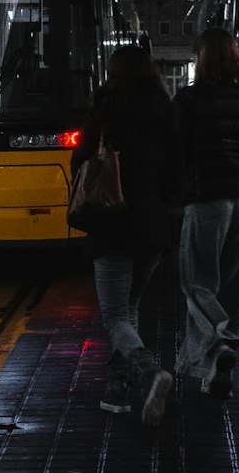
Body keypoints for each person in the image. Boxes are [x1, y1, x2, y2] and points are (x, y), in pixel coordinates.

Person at [70, 44, 184, 426]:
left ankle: (149, 370)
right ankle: (117, 388)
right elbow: (173, 170)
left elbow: (82, 156)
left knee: (116, 314)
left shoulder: (104, 106)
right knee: (129, 309)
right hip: (152, 225)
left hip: (112, 219)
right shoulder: (163, 107)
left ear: (114, 71)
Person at [173, 27, 239, 400]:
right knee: (233, 287)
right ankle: (213, 371)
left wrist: (182, 186)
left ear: (201, 61)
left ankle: (217, 344)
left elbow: (177, 150)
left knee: (198, 282)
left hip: (206, 202)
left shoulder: (188, 100)